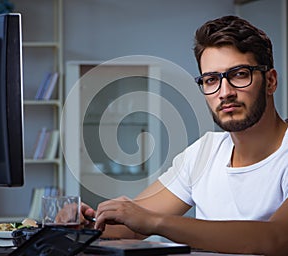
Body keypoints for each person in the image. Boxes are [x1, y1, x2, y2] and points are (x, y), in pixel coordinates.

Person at [81, 15, 288, 255]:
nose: (225, 92)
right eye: (211, 80)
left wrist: (156, 223)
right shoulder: (204, 152)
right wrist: (85, 225)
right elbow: (132, 226)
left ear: (270, 81)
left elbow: (277, 238)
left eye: (239, 74)